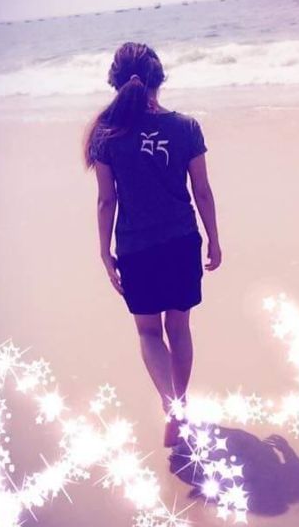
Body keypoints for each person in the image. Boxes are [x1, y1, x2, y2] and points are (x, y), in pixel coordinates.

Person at [82, 42, 222, 447]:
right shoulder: (186, 128)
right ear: (159, 79)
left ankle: (172, 405)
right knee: (179, 328)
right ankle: (180, 402)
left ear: (114, 81)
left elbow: (106, 200)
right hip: (181, 242)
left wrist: (104, 252)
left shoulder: (106, 136)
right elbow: (202, 191)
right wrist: (214, 239)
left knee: (148, 334)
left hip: (136, 249)